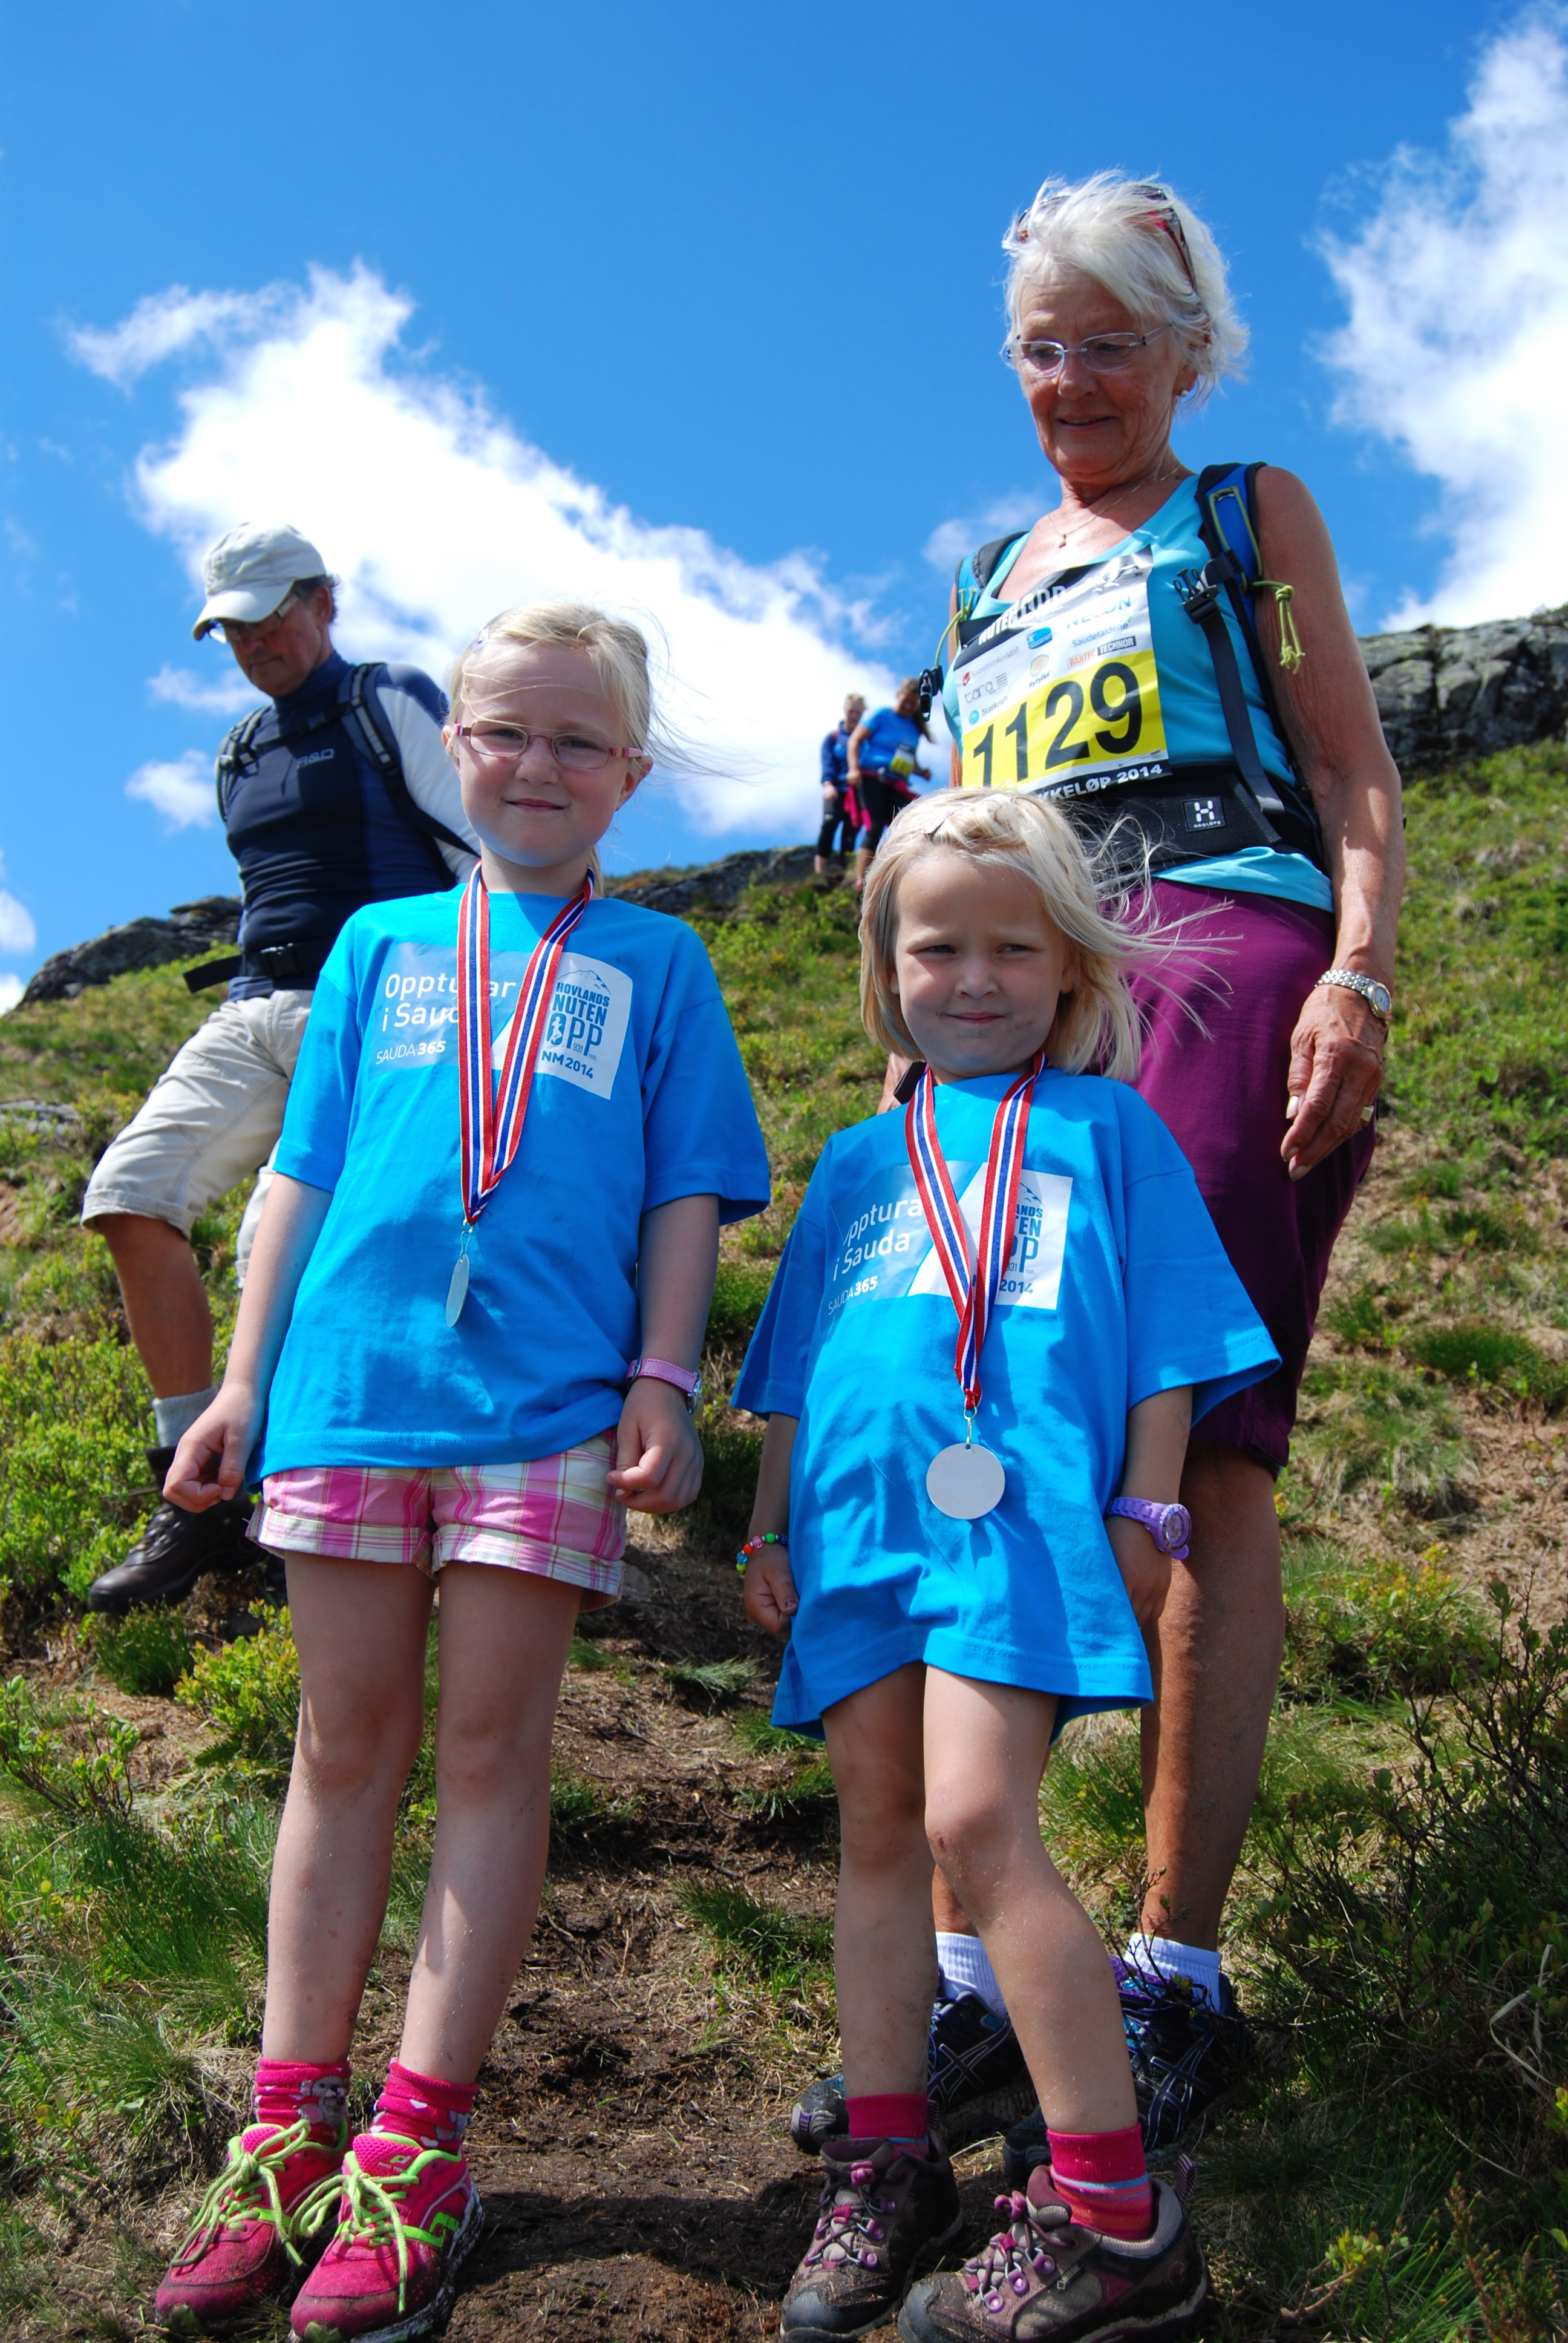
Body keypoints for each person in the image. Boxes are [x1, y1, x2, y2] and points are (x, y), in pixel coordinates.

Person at [792, 172, 1403, 2166]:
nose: (1074, 381)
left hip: (1225, 947)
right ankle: (978, 1962)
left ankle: (1173, 1966)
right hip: (1022, 1010)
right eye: (1042, 348)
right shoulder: (981, 583)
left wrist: (1358, 975)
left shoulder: (1250, 520)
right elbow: (953, 833)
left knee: (1200, 1434)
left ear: (1187, 351)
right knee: (987, 1411)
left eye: (1112, 343)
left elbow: (1352, 768)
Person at [149, 601, 770, 2341]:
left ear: (631, 772)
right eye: (503, 733)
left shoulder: (660, 963)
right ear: (454, 750)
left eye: (578, 741)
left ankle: (417, 2151)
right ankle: (287, 2135)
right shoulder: (377, 943)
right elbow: (300, 1176)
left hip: (546, 1412)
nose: (536, 765)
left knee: (492, 1756)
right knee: (340, 1749)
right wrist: (242, 1382)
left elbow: (686, 1193)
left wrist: (662, 1379)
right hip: (348, 1393)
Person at [735, 790, 1277, 2342]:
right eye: (936, 949)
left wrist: (1150, 1512)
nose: (971, 979)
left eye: (1010, 950)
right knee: (876, 1834)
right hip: (856, 1530)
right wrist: (767, 1523)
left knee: (976, 1820)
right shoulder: (856, 1158)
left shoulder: (1115, 1133)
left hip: (1019, 1529)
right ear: (885, 970)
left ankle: (1116, 2214)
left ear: (1073, 970)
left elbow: (1171, 1343)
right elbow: (796, 1369)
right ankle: (890, 2165)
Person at [82, 520, 479, 1614]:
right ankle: (195, 1486)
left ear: (323, 603)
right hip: (251, 1005)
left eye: (269, 617)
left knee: (273, 1240)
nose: (254, 642)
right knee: (127, 1193)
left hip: (376, 1007)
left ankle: (271, 1489)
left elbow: (476, 853)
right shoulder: (240, 749)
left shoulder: (388, 698)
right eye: (233, 629)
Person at [848, 679, 933, 888]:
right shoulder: (881, 715)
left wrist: (921, 771)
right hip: (872, 778)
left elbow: (908, 758)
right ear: (898, 695)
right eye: (906, 701)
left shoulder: (914, 727)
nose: (908, 706)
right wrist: (853, 768)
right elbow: (855, 741)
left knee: (908, 824)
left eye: (913, 703)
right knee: (875, 825)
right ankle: (862, 882)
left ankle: (901, 876)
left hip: (897, 782)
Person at [816, 693, 867, 873]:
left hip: (857, 792)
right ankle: (819, 871)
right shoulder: (834, 738)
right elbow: (827, 763)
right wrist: (828, 785)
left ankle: (844, 872)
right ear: (845, 711)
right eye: (851, 711)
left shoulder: (866, 739)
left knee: (851, 831)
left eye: (858, 713)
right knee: (829, 824)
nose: (854, 716)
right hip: (836, 789)